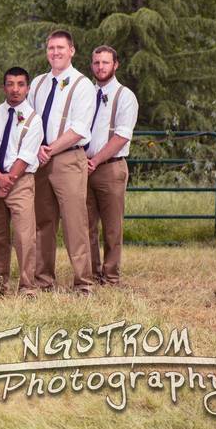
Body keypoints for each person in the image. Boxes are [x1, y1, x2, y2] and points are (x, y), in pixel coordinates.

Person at [27, 30, 96, 294]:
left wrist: (50, 149)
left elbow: (79, 128)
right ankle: (43, 280)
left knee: (74, 222)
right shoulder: (38, 84)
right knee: (43, 222)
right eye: (51, 48)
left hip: (68, 159)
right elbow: (29, 119)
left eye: (60, 48)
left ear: (72, 51)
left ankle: (83, 283)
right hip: (40, 160)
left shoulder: (82, 85)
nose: (55, 52)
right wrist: (36, 150)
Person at [0, 67, 42, 297]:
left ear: (27, 88)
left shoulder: (34, 120)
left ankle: (27, 286)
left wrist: (7, 182)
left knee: (24, 236)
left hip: (20, 182)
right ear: (4, 87)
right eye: (10, 84)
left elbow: (26, 156)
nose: (15, 89)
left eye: (20, 84)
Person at [86, 46, 139, 286]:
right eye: (97, 63)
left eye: (105, 62)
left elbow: (122, 136)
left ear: (116, 65)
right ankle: (91, 272)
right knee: (85, 225)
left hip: (110, 167)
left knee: (112, 227)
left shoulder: (124, 96)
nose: (100, 67)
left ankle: (111, 276)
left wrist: (95, 161)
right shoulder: (86, 93)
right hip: (83, 167)